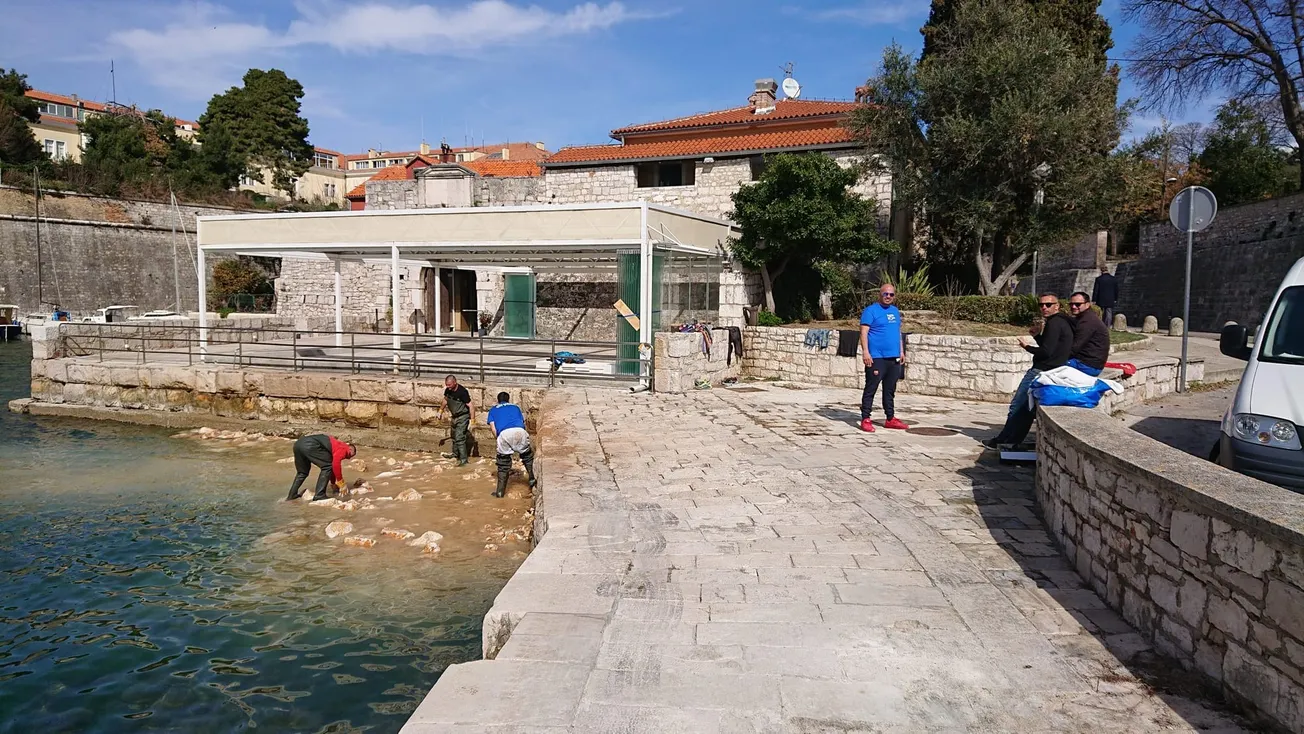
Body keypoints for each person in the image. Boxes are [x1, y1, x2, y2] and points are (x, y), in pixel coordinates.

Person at [982, 293, 1074, 450]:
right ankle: (1011, 440)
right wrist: (1038, 336)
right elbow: (1053, 346)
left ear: (1057, 306)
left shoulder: (1054, 323)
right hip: (1053, 369)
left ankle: (1004, 440)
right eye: (1041, 305)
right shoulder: (1063, 322)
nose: (1044, 307)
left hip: (1041, 369)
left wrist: (1027, 347)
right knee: (1026, 409)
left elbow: (1046, 352)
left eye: (1048, 305)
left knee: (1018, 406)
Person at [859, 284, 908, 433]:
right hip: (876, 357)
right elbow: (863, 333)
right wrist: (866, 352)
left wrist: (901, 351)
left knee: (890, 390)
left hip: (893, 357)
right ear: (880, 295)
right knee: (871, 388)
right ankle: (866, 418)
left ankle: (890, 418)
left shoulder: (895, 311)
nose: (888, 297)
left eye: (891, 294)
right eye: (885, 294)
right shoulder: (870, 311)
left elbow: (897, 332)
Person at [486, 392, 536, 498]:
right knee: (527, 457)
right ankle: (532, 479)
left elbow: (493, 428)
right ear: (508, 399)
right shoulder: (516, 407)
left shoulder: (493, 410)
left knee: (503, 464)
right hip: (520, 431)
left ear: (498, 400)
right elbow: (522, 421)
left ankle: (500, 492)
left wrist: (499, 439)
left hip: (504, 433)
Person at [286, 434, 356, 502]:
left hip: (298, 444)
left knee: (302, 473)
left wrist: (333, 483)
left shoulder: (335, 445)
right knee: (327, 466)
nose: (348, 458)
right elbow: (335, 464)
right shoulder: (343, 448)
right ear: (350, 449)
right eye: (350, 455)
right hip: (310, 445)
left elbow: (332, 465)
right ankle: (319, 495)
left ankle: (292, 495)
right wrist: (341, 483)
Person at [1067, 291, 1110, 376]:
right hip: (1092, 363)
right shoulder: (1087, 317)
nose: (1073, 306)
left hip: (1088, 366)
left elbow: (1074, 348)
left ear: (1087, 304)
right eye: (1071, 304)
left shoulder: (1087, 322)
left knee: (1049, 363)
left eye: (1077, 304)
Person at [443, 374, 473, 466]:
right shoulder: (448, 390)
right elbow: (445, 400)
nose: (448, 387)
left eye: (449, 385)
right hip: (454, 416)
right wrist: (440, 410)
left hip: (463, 416)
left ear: (455, 383)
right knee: (454, 436)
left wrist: (473, 420)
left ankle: (464, 460)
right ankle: (455, 454)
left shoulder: (462, 392)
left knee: (459, 437)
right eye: (446, 385)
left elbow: (471, 406)